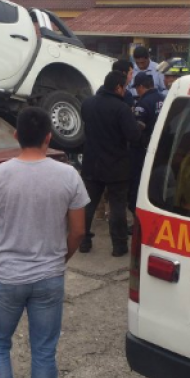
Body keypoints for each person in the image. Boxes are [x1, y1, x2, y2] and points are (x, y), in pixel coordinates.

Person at [0, 107, 88, 378]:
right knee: (44, 349)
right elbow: (79, 231)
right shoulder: (68, 175)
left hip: (7, 276)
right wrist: (59, 260)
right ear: (48, 137)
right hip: (49, 277)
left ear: (15, 136)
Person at [78, 70, 141, 257]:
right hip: (116, 166)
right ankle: (119, 246)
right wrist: (139, 127)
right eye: (124, 87)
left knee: (88, 204)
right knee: (117, 207)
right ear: (118, 87)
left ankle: (83, 241)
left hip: (91, 163)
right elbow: (134, 136)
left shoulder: (87, 104)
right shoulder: (121, 108)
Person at [128, 72, 164, 212]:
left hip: (142, 150)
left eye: (137, 88)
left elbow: (138, 128)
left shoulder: (143, 103)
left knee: (138, 182)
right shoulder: (163, 98)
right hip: (161, 149)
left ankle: (136, 213)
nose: (137, 90)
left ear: (141, 86)